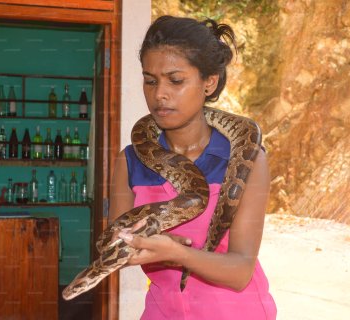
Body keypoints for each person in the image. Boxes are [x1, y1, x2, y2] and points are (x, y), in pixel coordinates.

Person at [109, 15, 277, 319]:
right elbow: (113, 245)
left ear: (209, 82)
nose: (159, 94)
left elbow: (240, 270)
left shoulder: (246, 160)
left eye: (176, 81)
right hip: (162, 311)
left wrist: (178, 253)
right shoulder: (129, 161)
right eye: (150, 80)